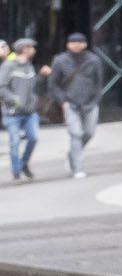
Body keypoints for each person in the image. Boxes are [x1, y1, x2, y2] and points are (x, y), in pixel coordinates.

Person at [46, 30, 106, 178]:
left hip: (90, 103)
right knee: (76, 134)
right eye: (73, 42)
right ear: (68, 44)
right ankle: (78, 168)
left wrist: (95, 100)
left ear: (85, 44)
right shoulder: (60, 60)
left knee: (89, 132)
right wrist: (63, 101)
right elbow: (53, 84)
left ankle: (72, 154)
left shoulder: (93, 60)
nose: (76, 45)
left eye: (79, 42)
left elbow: (99, 83)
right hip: (70, 104)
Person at [0, 39, 38, 182]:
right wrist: (14, 100)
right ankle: (16, 171)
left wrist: (33, 101)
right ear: (24, 49)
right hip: (12, 112)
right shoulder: (9, 66)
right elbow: (2, 87)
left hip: (29, 111)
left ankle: (23, 164)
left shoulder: (29, 66)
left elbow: (31, 88)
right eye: (31, 47)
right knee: (14, 142)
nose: (33, 49)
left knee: (33, 138)